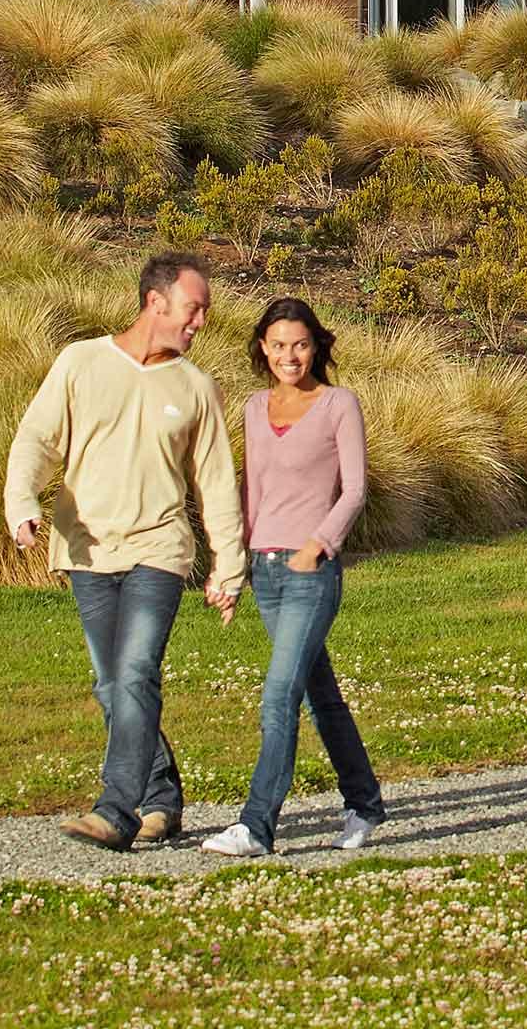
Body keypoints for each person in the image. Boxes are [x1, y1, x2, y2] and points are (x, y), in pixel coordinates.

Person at [5, 249, 247, 852]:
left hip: (159, 551)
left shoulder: (197, 388)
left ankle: (117, 810)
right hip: (86, 551)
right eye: (193, 310)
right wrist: (21, 503)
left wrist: (229, 566)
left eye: (205, 313)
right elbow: (37, 436)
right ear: (155, 301)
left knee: (136, 671)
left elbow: (215, 482)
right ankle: (163, 798)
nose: (200, 323)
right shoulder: (80, 362)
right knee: (113, 684)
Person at [200, 297, 387, 856]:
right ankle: (365, 804)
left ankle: (256, 826)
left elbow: (354, 489)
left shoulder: (338, 405)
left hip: (312, 572)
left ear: (316, 347)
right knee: (317, 696)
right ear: (263, 347)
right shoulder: (255, 409)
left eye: (300, 344)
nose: (290, 355)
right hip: (266, 571)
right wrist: (232, 571)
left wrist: (317, 545)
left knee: (278, 695)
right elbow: (249, 493)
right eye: (279, 345)